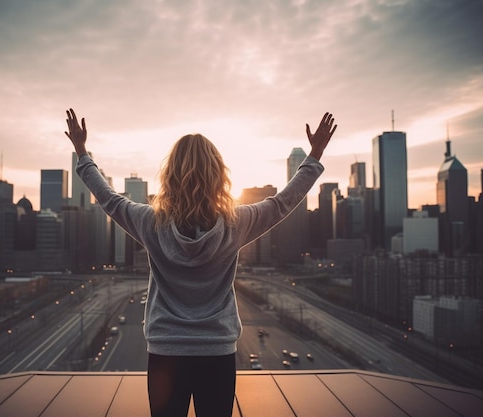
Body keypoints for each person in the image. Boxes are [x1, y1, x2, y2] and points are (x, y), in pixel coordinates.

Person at [65, 109, 336, 417]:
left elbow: (109, 200)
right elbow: (282, 204)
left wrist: (82, 152)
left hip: (166, 351)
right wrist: (314, 155)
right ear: (218, 174)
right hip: (216, 350)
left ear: (170, 176)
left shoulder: (150, 222)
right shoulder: (236, 223)